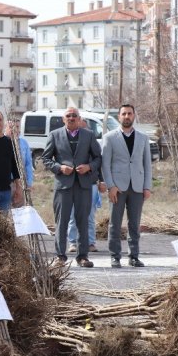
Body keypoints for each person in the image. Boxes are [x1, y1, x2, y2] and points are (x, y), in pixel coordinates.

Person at [41, 107, 101, 268]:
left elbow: (98, 158)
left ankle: (82, 256)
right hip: (63, 185)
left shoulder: (88, 135)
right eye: (68, 116)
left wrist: (89, 167)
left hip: (83, 185)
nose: (72, 118)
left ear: (79, 118)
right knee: (62, 221)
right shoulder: (55, 135)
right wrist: (59, 167)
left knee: (83, 221)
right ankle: (60, 256)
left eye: (75, 115)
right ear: (63, 119)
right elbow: (46, 158)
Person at [101, 104, 152, 268]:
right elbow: (105, 164)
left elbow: (147, 164)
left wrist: (147, 186)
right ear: (119, 117)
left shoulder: (143, 138)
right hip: (118, 187)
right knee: (115, 223)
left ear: (134, 116)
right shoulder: (110, 137)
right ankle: (115, 256)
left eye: (130, 113)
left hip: (137, 186)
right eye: (124, 114)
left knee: (134, 223)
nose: (127, 116)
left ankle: (134, 256)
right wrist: (110, 186)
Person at [68, 117, 106, 253]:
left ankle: (90, 242)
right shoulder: (71, 142)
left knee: (89, 215)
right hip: (73, 183)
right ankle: (72, 242)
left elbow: (99, 162)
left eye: (84, 128)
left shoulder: (92, 142)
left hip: (90, 184)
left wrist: (102, 180)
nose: (82, 130)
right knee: (72, 214)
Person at [4, 119, 34, 190]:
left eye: (17, 127)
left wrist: (29, 182)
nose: (15, 130)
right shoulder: (1, 142)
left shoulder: (24, 143)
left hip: (21, 182)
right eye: (11, 127)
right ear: (5, 128)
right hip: (5, 184)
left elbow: (28, 164)